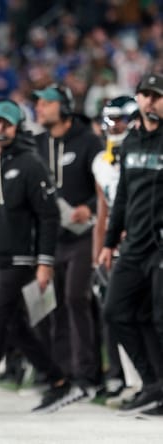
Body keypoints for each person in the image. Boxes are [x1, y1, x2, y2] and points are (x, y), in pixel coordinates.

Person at [0, 99, 79, 414]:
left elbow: (49, 216)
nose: (1, 127)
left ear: (18, 128)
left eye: (7, 123)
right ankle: (59, 381)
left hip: (19, 259)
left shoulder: (30, 163)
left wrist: (45, 262)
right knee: (13, 327)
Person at [98, 73, 163, 417]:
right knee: (115, 311)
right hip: (135, 243)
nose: (150, 101)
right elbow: (121, 196)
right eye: (145, 95)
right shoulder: (132, 141)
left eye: (157, 96)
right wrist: (109, 243)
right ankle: (153, 384)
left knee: (160, 318)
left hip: (161, 246)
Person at [33, 83, 104, 395]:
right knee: (54, 306)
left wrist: (89, 207)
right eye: (38, 103)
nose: (39, 108)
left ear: (63, 106)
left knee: (76, 298)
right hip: (51, 238)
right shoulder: (37, 144)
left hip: (84, 235)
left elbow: (106, 185)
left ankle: (87, 375)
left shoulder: (88, 141)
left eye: (46, 103)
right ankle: (63, 375)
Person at [92, 95, 141, 399]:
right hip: (119, 246)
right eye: (110, 119)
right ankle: (135, 382)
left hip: (145, 240)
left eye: (120, 119)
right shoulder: (101, 161)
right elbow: (103, 212)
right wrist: (98, 254)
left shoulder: (144, 152)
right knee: (119, 313)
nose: (114, 125)